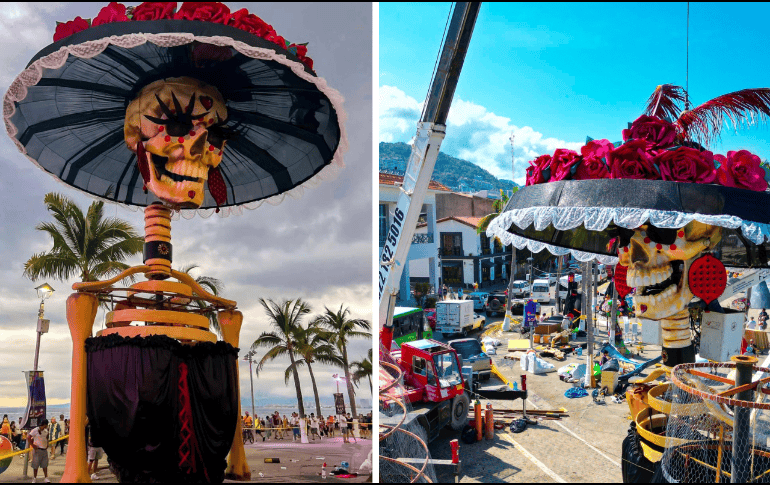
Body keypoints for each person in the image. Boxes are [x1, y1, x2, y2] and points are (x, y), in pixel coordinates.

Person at [28, 418, 50, 483]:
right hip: (37, 450)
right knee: (35, 465)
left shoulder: (46, 431)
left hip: (44, 449)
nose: (44, 427)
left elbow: (47, 437)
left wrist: (47, 443)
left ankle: (46, 478)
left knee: (45, 465)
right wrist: (33, 445)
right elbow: (29, 437)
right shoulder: (35, 430)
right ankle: (34, 478)